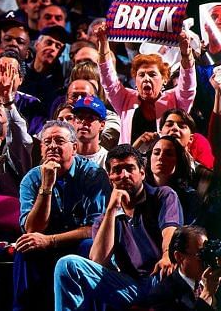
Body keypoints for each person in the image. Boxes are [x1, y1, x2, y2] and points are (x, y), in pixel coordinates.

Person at [53, 144, 183, 310]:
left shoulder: (162, 195)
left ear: (142, 172)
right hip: (129, 284)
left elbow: (170, 231)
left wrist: (166, 255)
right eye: (117, 170)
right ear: (109, 177)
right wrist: (111, 210)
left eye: (130, 168)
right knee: (67, 264)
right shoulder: (105, 218)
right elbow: (98, 261)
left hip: (161, 277)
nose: (124, 175)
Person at [13, 120, 110, 311]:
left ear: (74, 147)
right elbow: (32, 228)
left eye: (59, 141)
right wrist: (46, 187)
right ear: (40, 148)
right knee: (25, 247)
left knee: (89, 246)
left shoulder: (93, 175)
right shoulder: (31, 179)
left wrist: (51, 240)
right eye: (47, 142)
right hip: (44, 244)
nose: (52, 147)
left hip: (76, 243)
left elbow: (94, 229)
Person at [96, 22, 196, 144]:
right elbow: (108, 79)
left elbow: (188, 86)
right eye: (141, 75)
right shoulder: (125, 99)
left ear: (164, 79)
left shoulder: (175, 99)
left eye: (152, 74)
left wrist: (186, 53)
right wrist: (103, 42)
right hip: (130, 162)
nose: (146, 79)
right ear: (135, 80)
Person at [142, 225, 221, 310]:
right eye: (200, 255)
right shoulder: (161, 295)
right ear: (179, 257)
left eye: (208, 253)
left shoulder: (216, 281)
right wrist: (207, 293)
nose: (206, 261)